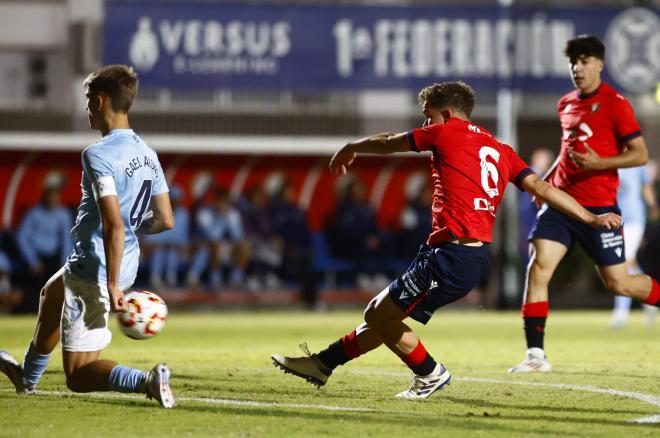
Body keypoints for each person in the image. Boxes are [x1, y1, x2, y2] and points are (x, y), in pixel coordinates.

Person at [271, 81, 621, 399]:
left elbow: (389, 141)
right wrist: (591, 216)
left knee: (378, 313)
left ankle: (430, 374)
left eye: (428, 117)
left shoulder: (444, 133)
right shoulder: (500, 148)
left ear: (447, 113)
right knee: (384, 317)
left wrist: (352, 146)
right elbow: (543, 188)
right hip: (469, 255)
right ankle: (322, 364)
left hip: (450, 256)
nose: (425, 125)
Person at [0, 65, 176, 408]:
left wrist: (111, 284)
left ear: (99, 100)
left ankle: (148, 381)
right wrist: (132, 229)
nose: (85, 108)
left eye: (86, 100)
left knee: (79, 375)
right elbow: (165, 219)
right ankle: (27, 378)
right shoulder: (148, 154)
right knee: (51, 295)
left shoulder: (98, 154)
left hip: (97, 269)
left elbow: (113, 224)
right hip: (116, 259)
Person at [509, 35, 660, 373]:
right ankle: (536, 355)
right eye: (573, 62)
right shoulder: (565, 104)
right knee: (538, 267)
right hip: (561, 205)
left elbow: (640, 154)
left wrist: (599, 164)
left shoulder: (616, 103)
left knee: (619, 283)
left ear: (600, 65)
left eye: (585, 61)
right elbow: (566, 151)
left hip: (600, 209)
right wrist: (545, 181)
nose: (577, 67)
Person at [610, 164, 659, 328]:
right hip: (614, 219)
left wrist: (653, 209)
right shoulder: (610, 162)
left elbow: (646, 188)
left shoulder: (638, 162)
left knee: (623, 265)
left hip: (634, 219)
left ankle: (620, 314)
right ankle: (651, 300)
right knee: (630, 267)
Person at [15, 183, 72, 313]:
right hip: (36, 257)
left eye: (55, 196)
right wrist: (32, 261)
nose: (53, 200)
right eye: (50, 196)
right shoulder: (34, 214)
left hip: (54, 259)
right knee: (35, 292)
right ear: (45, 197)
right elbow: (22, 238)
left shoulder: (63, 214)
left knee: (57, 291)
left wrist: (64, 264)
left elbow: (66, 240)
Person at [143, 185, 190, 288]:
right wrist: (162, 245)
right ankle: (155, 279)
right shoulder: (154, 212)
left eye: (178, 200)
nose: (176, 203)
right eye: (173, 200)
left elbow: (183, 240)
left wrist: (176, 246)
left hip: (175, 251)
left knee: (172, 252)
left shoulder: (184, 214)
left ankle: (171, 280)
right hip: (155, 251)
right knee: (159, 251)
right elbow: (148, 239)